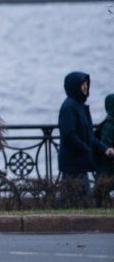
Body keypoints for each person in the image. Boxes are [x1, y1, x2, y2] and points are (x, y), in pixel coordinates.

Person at [58, 72, 114, 205]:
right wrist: (85, 148)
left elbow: (89, 135)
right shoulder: (69, 107)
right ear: (74, 86)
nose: (85, 87)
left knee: (72, 200)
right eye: (82, 84)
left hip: (79, 162)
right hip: (73, 163)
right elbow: (69, 134)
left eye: (86, 84)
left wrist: (105, 149)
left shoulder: (80, 106)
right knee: (81, 200)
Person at [93, 93, 114, 205]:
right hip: (107, 166)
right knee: (102, 193)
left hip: (106, 166)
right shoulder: (110, 124)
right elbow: (106, 143)